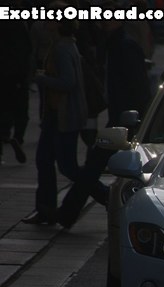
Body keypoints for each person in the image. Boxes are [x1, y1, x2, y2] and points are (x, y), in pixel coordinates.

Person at [55, 0, 151, 229]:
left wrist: (134, 119)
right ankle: (72, 213)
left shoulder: (124, 46)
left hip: (124, 120)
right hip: (118, 117)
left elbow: (138, 87)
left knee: (96, 166)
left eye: (108, 16)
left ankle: (69, 213)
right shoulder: (110, 43)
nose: (103, 20)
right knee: (94, 166)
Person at [23, 7, 87, 225]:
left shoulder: (62, 48)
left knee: (67, 166)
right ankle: (45, 209)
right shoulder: (64, 44)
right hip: (54, 114)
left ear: (59, 23)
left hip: (63, 115)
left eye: (49, 19)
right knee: (44, 160)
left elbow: (69, 83)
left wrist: (42, 80)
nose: (44, 22)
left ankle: (103, 193)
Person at [0, 2, 32, 165]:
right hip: (16, 74)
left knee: (4, 110)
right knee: (20, 110)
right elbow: (24, 49)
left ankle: (5, 135)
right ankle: (17, 137)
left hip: (6, 73)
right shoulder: (17, 23)